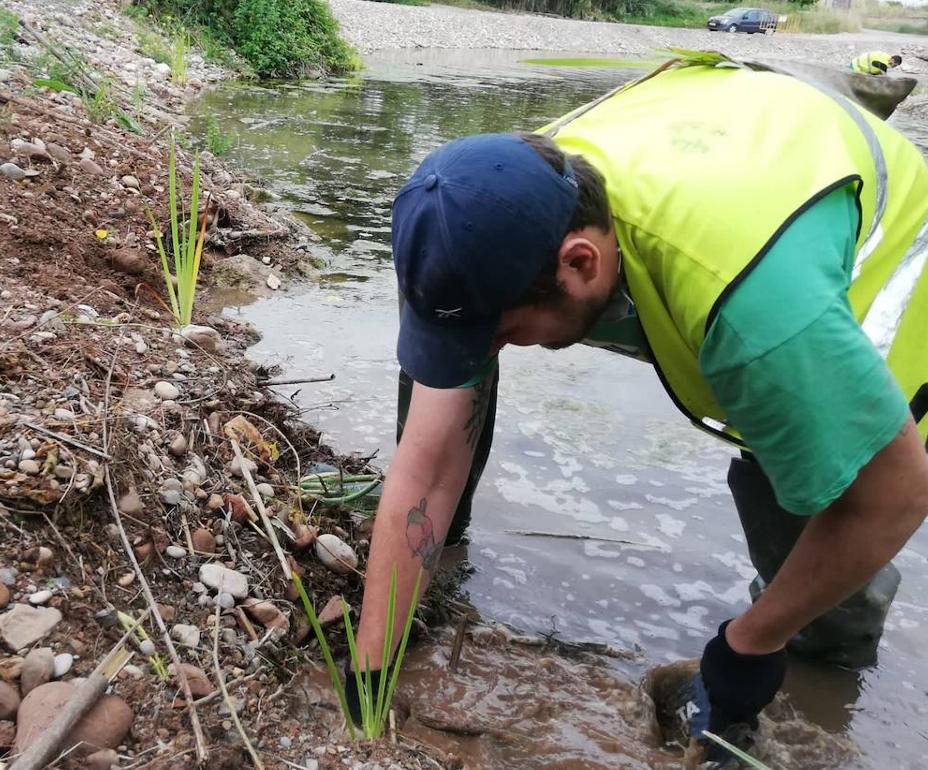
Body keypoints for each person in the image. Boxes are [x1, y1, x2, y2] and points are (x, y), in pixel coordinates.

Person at [349, 57, 928, 767]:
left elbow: (894, 494)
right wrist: (370, 669)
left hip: (877, 280)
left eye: (504, 334)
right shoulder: (499, 200)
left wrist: (747, 647)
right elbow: (429, 456)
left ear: (582, 263)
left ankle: (822, 676)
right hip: (742, 149)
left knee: (815, 541)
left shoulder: (757, 318)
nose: (495, 351)